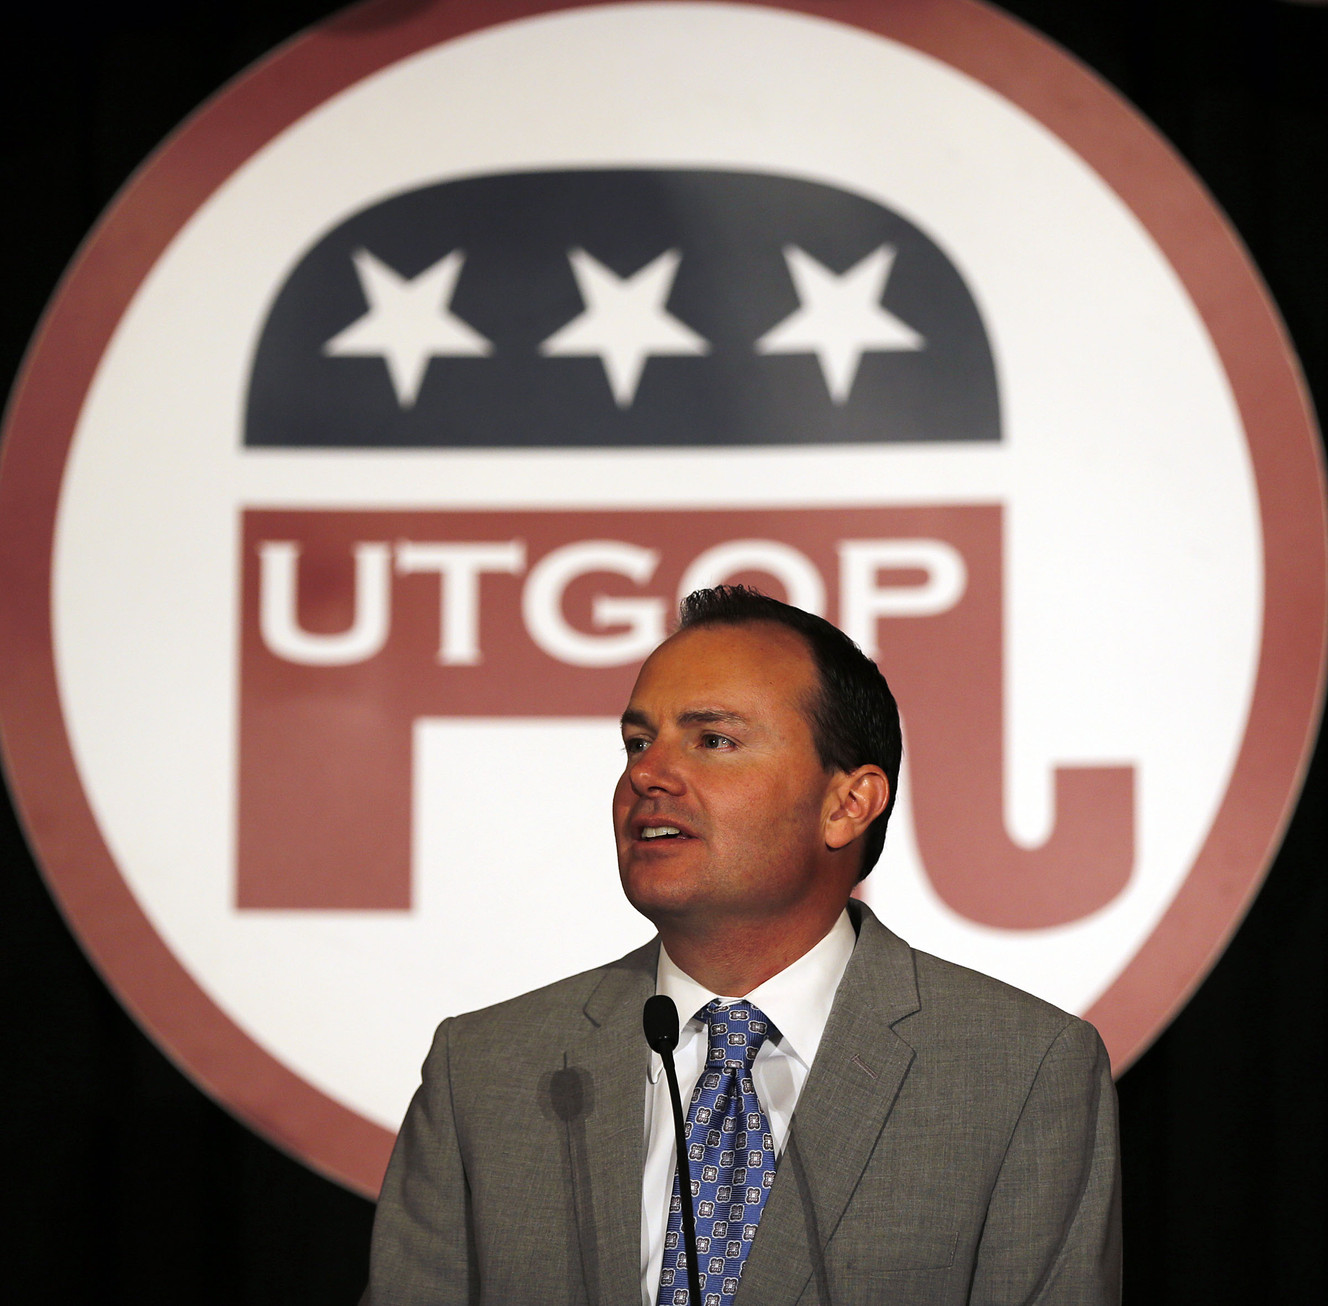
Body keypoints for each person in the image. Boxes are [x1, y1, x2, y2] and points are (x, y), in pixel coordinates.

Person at [362, 587, 1121, 1305]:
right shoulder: (484, 1071)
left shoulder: (1021, 1071)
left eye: (714, 740)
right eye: (637, 742)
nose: (648, 774)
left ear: (848, 804)